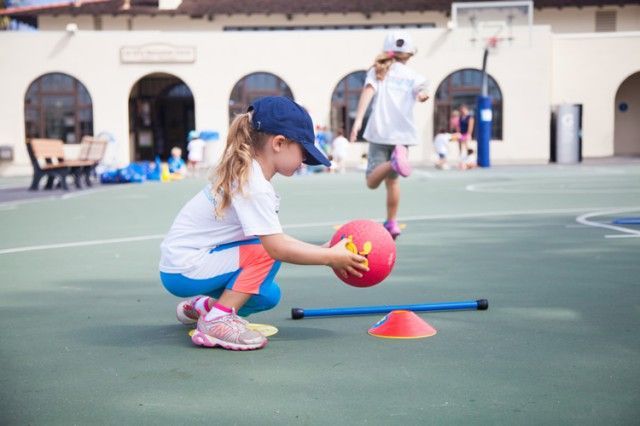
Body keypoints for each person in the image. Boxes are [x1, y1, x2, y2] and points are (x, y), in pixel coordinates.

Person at [159, 96, 368, 351]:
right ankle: (217, 321)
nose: (304, 160)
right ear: (279, 143)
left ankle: (203, 308)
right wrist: (329, 258)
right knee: (266, 251)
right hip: (186, 266)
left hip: (186, 265)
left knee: (267, 295)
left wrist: (324, 250)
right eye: (303, 151)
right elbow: (275, 247)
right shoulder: (254, 184)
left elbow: (272, 237)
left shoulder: (250, 174)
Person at [350, 31, 429, 239]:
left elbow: (367, 93)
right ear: (409, 54)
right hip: (402, 136)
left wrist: (357, 122)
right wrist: (422, 96)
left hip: (380, 132)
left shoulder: (378, 71)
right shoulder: (413, 76)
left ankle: (393, 163)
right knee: (392, 183)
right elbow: (421, 92)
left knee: (371, 181)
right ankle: (392, 222)